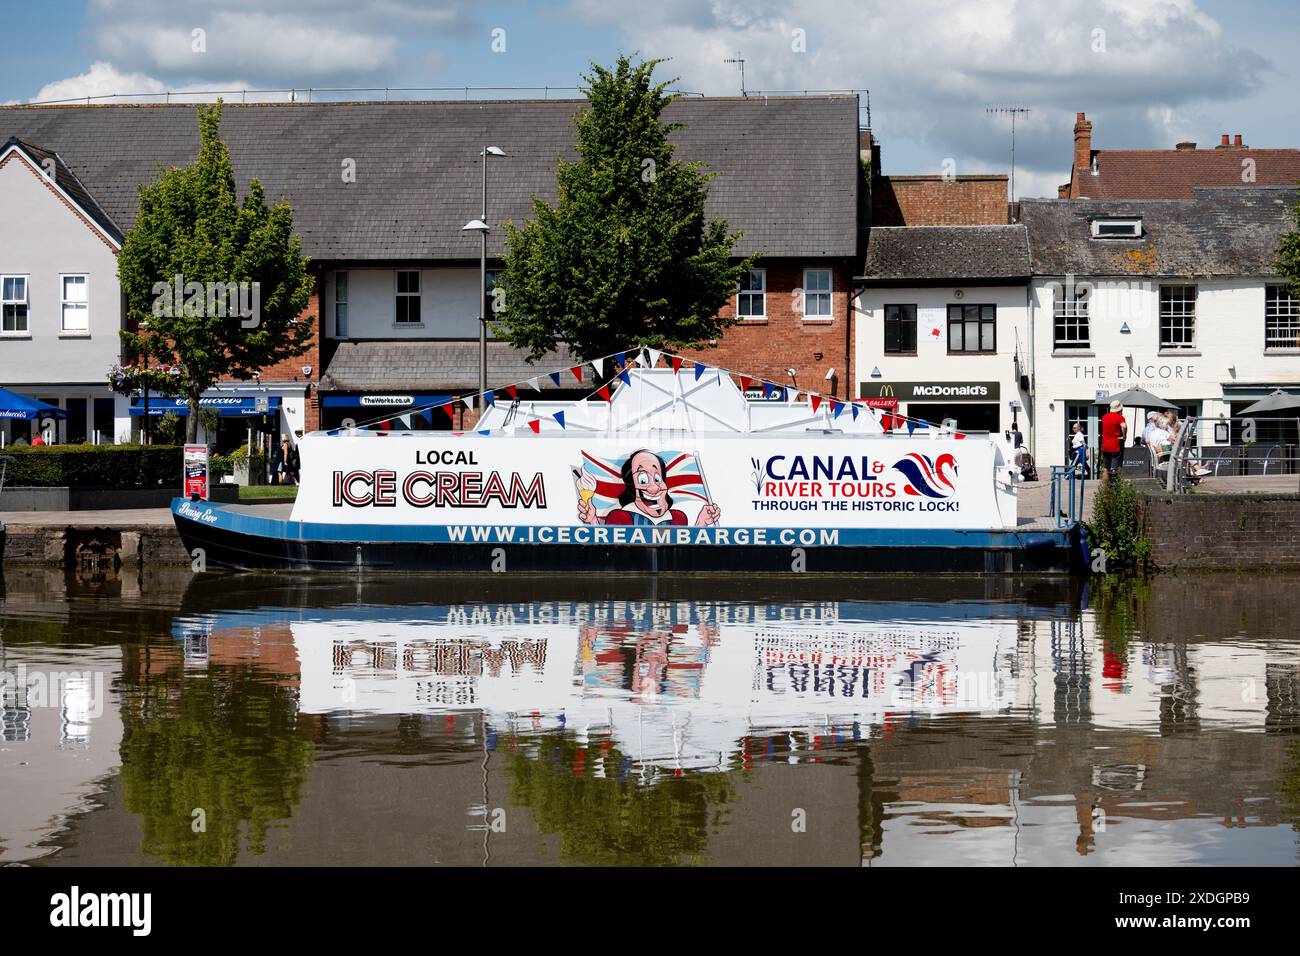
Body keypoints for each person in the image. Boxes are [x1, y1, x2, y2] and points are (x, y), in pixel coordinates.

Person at [1100, 400, 1127, 480]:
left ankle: (1105, 489)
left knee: (1106, 468)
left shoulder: (1104, 417)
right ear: (1120, 409)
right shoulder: (1119, 417)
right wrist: (1124, 436)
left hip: (1105, 445)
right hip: (1116, 444)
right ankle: (1116, 488)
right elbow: (1124, 426)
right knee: (1116, 468)